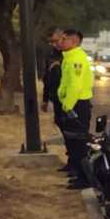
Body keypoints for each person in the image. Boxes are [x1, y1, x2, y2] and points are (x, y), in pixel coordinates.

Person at [56, 28, 94, 188]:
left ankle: (84, 179)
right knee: (73, 142)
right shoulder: (69, 57)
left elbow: (75, 86)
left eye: (64, 39)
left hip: (77, 105)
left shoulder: (76, 59)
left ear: (74, 41)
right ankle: (77, 173)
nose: (61, 42)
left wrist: (68, 106)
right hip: (73, 104)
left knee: (79, 144)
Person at [39, 29, 67, 170]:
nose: (55, 44)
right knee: (60, 123)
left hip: (68, 100)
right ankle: (70, 160)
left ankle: (75, 162)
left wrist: (60, 66)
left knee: (71, 131)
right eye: (53, 42)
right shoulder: (50, 55)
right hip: (55, 97)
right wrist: (45, 99)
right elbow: (46, 78)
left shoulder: (69, 56)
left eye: (57, 41)